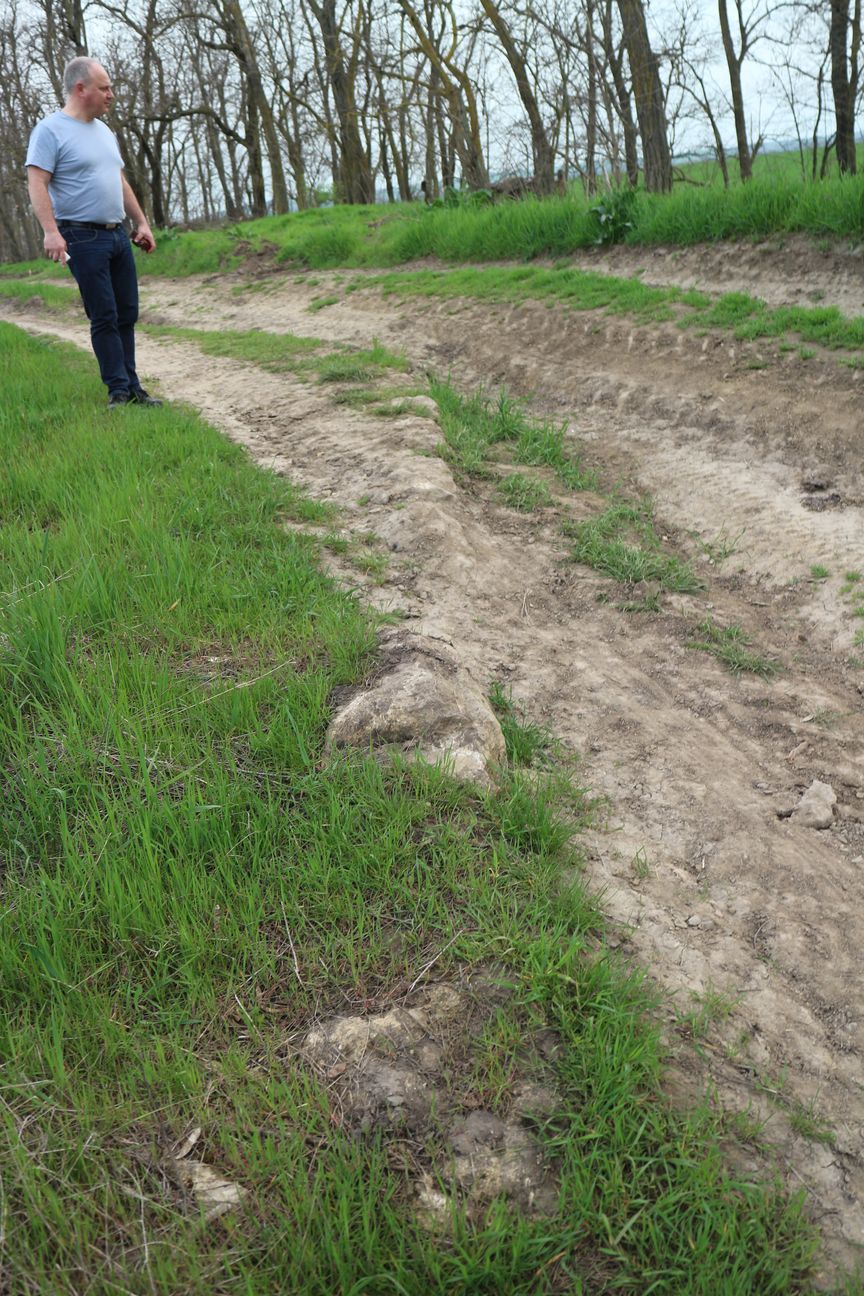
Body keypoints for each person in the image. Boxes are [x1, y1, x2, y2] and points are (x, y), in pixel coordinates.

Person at [26, 57, 162, 410]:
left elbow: (119, 180)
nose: (111, 95)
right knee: (104, 314)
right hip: (81, 237)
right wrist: (50, 232)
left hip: (117, 235)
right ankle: (117, 391)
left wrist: (141, 221)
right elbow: (37, 181)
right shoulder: (50, 130)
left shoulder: (105, 132)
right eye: (104, 88)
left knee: (127, 312)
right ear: (80, 89)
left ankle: (134, 387)